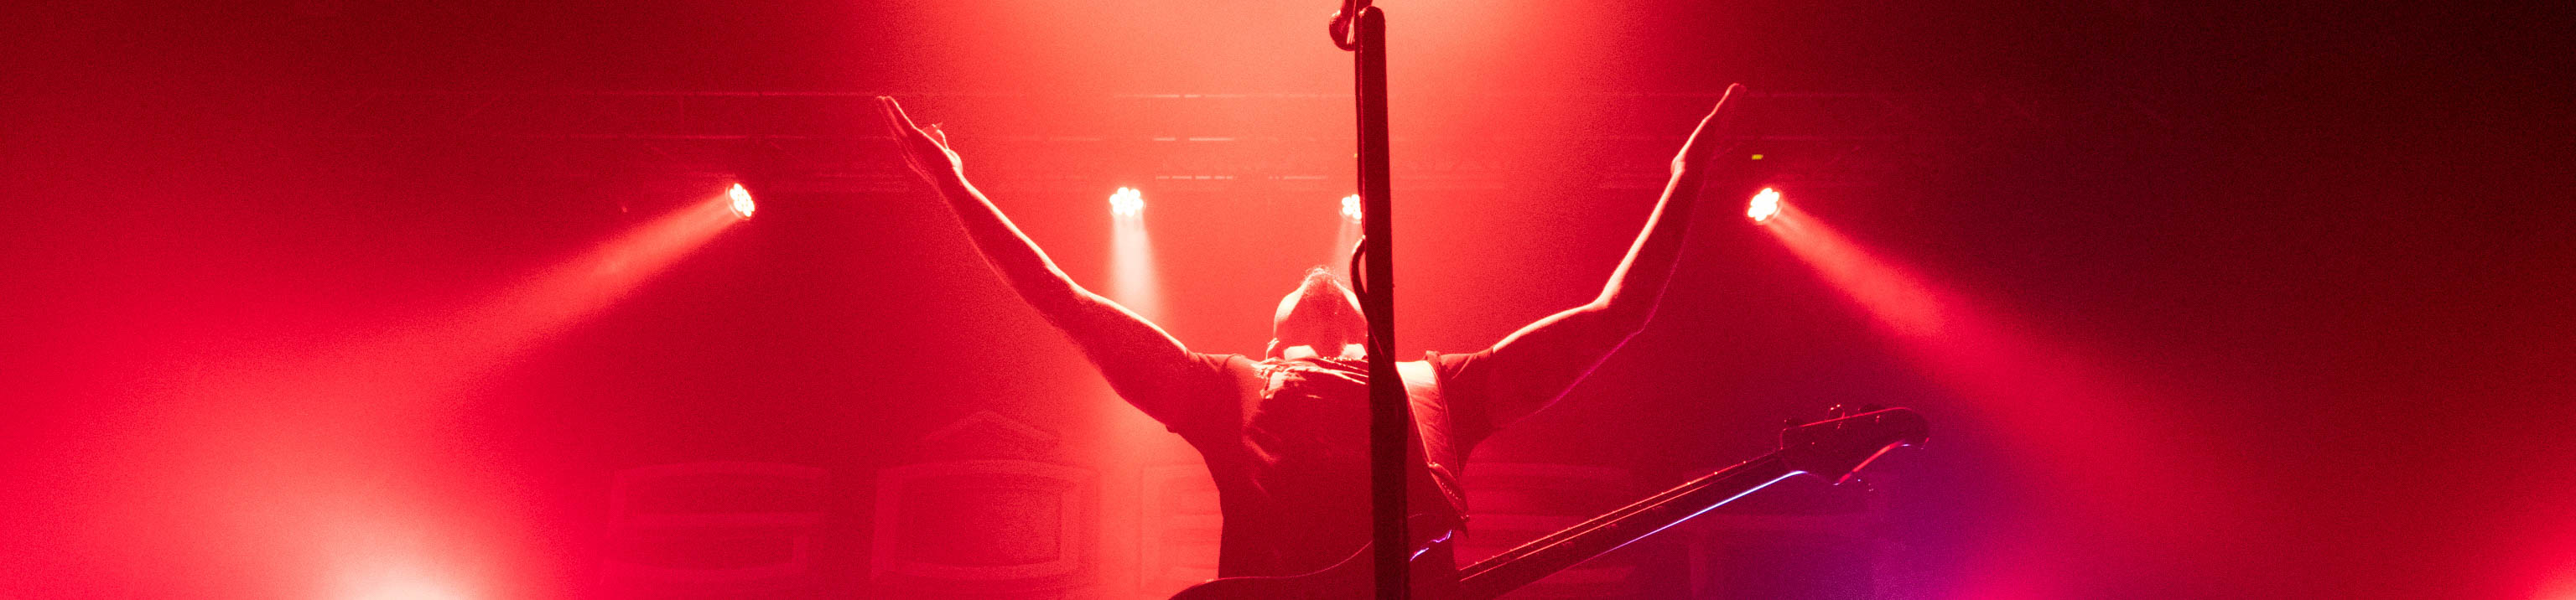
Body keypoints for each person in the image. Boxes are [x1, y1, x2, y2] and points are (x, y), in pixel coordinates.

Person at [874, 84, 1754, 582]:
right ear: (1270, 342)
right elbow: (1060, 297)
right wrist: (952, 183)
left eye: (1327, 285)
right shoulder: (1224, 387)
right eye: (1298, 290)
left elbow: (1615, 316)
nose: (1317, 277)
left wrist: (1686, 174)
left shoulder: (1437, 388)